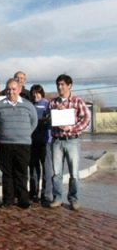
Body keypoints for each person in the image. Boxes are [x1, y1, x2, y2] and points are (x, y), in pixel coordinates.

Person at [0, 79, 38, 209]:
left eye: (13, 89)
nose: (11, 92)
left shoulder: (28, 105)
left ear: (19, 89)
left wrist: (25, 133)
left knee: (22, 172)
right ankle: (8, 200)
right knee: (7, 173)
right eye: (8, 89)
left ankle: (23, 199)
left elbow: (34, 122)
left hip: (23, 144)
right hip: (4, 143)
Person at [49, 74, 90, 211]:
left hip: (72, 141)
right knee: (57, 173)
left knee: (74, 173)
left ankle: (74, 199)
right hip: (57, 141)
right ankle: (57, 198)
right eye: (58, 85)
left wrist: (71, 128)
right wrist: (52, 114)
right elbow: (46, 120)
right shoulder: (53, 102)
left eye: (62, 84)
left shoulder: (78, 101)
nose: (60, 87)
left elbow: (85, 120)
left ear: (69, 85)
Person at [29, 84, 53, 206]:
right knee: (33, 169)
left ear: (41, 93)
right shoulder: (29, 105)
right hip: (32, 141)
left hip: (45, 141)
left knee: (46, 168)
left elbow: (54, 119)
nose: (35, 95)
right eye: (33, 93)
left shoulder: (48, 105)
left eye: (37, 93)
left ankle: (47, 194)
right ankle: (33, 192)